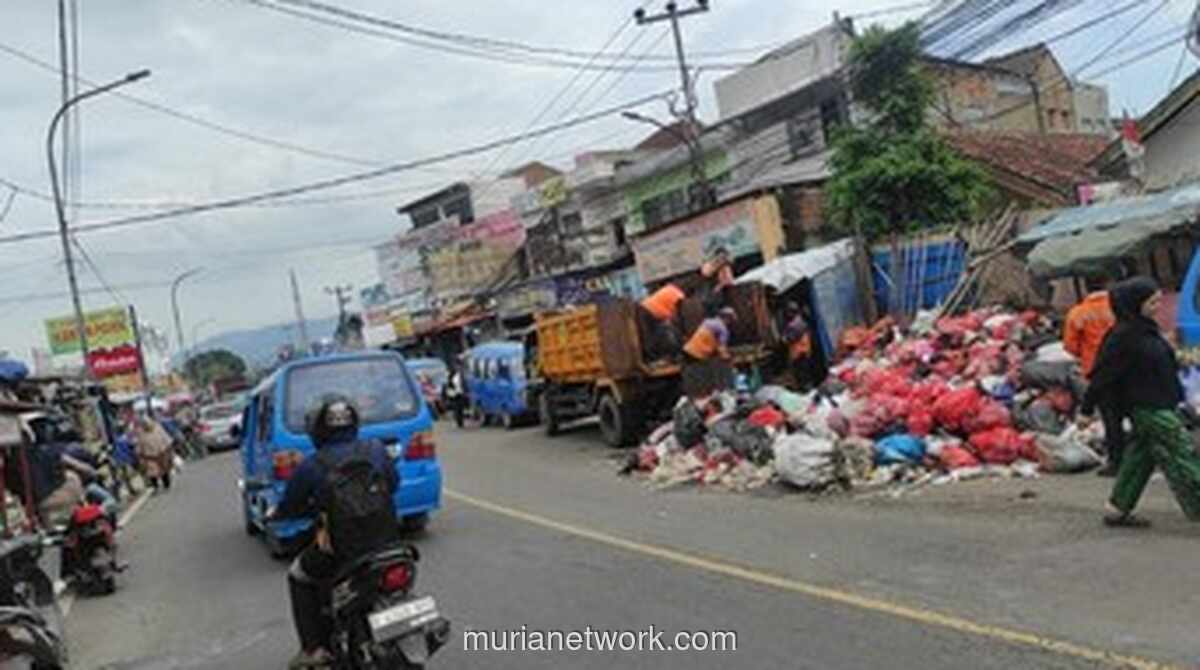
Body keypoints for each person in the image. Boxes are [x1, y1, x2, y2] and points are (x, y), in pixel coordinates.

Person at [273, 396, 399, 669]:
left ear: (318, 429)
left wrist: (279, 514)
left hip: (340, 551)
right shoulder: (376, 449)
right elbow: (394, 483)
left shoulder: (312, 465)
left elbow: (291, 505)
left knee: (298, 575)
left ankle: (313, 649)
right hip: (388, 541)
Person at [1081, 277, 1200, 528]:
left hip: (1161, 402)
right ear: (1135, 303)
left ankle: (1117, 508)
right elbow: (1102, 374)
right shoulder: (1122, 337)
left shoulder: (1145, 329)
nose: (1158, 306)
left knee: (1140, 457)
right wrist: (1086, 409)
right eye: (1152, 302)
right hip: (1147, 407)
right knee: (1183, 453)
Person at [1063, 275, 1123, 476]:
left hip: (1096, 369)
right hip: (1127, 368)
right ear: (1107, 284)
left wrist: (1086, 351)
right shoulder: (1120, 307)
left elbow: (1070, 347)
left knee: (1111, 417)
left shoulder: (1078, 313)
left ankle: (1116, 461)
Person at [681, 306, 738, 399]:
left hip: (687, 350)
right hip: (697, 355)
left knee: (692, 379)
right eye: (731, 320)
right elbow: (721, 349)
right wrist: (729, 359)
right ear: (727, 319)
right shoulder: (723, 330)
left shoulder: (707, 321)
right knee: (704, 380)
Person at [637, 283, 687, 362]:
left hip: (645, 310)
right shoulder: (679, 297)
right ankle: (662, 357)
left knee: (654, 336)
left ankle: (660, 357)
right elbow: (677, 319)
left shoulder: (672, 290)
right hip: (648, 312)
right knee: (657, 336)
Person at [133, 417, 174, 493]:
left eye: (147, 424)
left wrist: (169, 448)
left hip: (161, 452)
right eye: (144, 424)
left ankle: (166, 484)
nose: (146, 426)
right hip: (149, 456)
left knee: (163, 469)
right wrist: (139, 453)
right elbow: (139, 444)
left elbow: (165, 437)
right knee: (152, 472)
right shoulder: (140, 432)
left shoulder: (158, 428)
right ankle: (155, 487)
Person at [445, 361, 467, 428]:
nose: (458, 368)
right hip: (455, 393)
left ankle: (460, 422)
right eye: (457, 366)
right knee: (458, 408)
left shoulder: (460, 374)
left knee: (460, 408)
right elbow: (450, 384)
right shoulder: (452, 375)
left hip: (459, 392)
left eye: (459, 366)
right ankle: (459, 422)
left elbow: (463, 383)